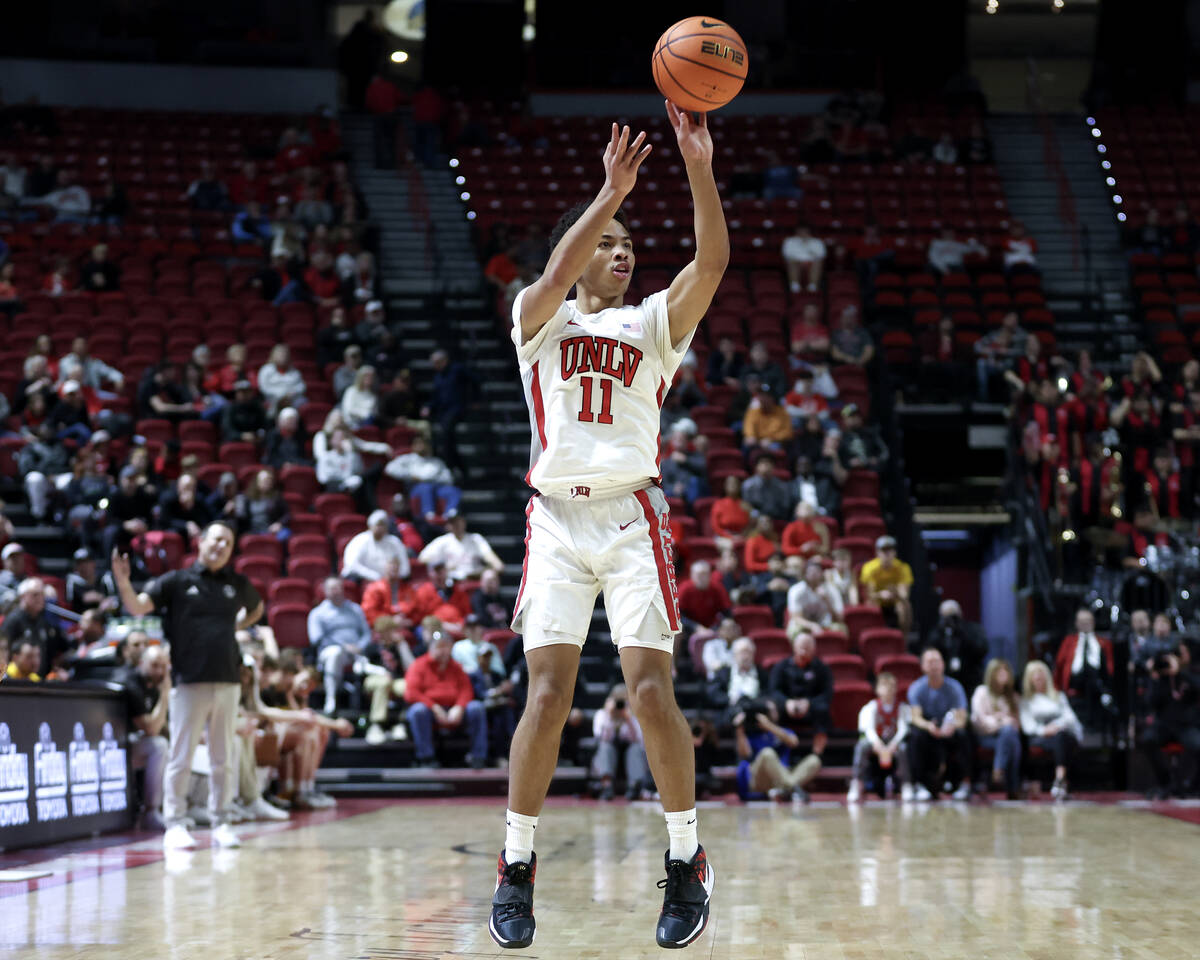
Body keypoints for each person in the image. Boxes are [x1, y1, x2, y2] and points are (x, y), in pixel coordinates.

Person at [492, 110, 726, 950]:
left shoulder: (652, 323)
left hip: (631, 515)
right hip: (555, 518)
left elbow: (714, 263)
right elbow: (554, 273)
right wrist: (610, 191)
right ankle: (516, 868)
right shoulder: (538, 318)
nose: (622, 252)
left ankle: (685, 857)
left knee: (651, 691)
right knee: (546, 697)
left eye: (629, 243)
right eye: (608, 242)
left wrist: (698, 166)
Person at [111, 521, 264, 850]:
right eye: (216, 539)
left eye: (227, 541)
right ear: (201, 542)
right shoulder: (177, 582)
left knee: (223, 757)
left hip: (228, 680)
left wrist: (239, 624)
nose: (221, 545)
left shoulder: (236, 583)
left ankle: (222, 820)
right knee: (180, 755)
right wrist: (123, 582)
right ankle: (176, 823)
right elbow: (137, 606)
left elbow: (257, 609)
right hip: (188, 681)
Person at [404, 629, 488, 768]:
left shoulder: (456, 666)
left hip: (453, 708)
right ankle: (426, 758)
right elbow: (411, 693)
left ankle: (478, 757)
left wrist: (459, 707)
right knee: (418, 711)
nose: (444, 650)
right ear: (431, 648)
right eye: (440, 646)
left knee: (476, 708)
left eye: (447, 646)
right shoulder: (419, 665)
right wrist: (434, 707)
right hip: (430, 710)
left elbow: (466, 690)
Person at [907, 648, 970, 801]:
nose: (934, 665)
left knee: (964, 735)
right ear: (922, 666)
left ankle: (963, 783)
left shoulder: (955, 687)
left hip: (949, 727)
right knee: (914, 735)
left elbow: (962, 718)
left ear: (943, 664)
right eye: (930, 662)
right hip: (929, 727)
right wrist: (928, 726)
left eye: (937, 661)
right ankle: (918, 784)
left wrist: (952, 726)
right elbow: (915, 717)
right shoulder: (916, 688)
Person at [767, 631, 833, 777]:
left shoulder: (821, 668)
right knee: (773, 709)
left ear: (814, 649)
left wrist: (809, 703)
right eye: (802, 646)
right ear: (794, 647)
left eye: (808, 646)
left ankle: (817, 756)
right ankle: (780, 755)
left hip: (811, 709)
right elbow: (773, 691)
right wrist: (786, 702)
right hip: (787, 709)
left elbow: (827, 694)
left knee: (823, 710)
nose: (804, 650)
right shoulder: (782, 666)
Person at [308, 577, 373, 715]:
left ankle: (363, 707)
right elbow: (317, 639)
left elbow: (367, 633)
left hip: (356, 653)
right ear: (325, 591)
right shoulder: (318, 613)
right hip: (329, 653)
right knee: (335, 653)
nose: (336, 591)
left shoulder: (355, 609)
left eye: (338, 587)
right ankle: (331, 699)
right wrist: (343, 646)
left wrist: (360, 646)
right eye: (332, 588)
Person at [121, 645, 171, 829]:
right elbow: (150, 729)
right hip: (119, 747)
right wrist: (165, 694)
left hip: (136, 744)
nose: (159, 671)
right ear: (142, 663)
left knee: (176, 748)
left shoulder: (154, 686)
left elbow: (162, 726)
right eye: (154, 665)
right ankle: (150, 811)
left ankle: (179, 808)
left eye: (163, 667)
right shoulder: (132, 683)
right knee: (159, 746)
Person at [1020, 660, 1082, 801]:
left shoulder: (1058, 696)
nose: (1039, 680)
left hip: (1062, 734)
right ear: (1029, 680)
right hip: (1040, 737)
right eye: (1035, 677)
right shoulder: (1026, 701)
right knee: (1061, 739)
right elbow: (1028, 726)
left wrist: (1056, 726)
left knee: (1062, 738)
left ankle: (1059, 779)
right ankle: (1061, 782)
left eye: (1041, 676)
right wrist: (1045, 730)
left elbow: (1070, 718)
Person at [848, 671, 912, 803]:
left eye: (892, 686)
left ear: (895, 689)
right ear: (877, 689)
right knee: (861, 746)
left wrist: (893, 745)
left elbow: (903, 729)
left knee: (903, 748)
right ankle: (856, 783)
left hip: (893, 742)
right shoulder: (871, 707)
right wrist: (878, 745)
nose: (888, 689)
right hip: (876, 742)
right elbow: (869, 729)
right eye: (884, 685)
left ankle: (906, 784)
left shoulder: (902, 707)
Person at [1053, 608, 1116, 735]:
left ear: (1093, 622)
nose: (1085, 624)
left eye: (1087, 621)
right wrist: (1056, 689)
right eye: (1082, 621)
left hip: (1098, 679)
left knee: (1092, 676)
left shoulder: (1103, 642)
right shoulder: (1069, 641)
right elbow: (1059, 665)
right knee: (1088, 677)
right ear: (1076, 623)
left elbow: (1109, 667)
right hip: (1075, 680)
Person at [971, 658, 1023, 799]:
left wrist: (1004, 723)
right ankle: (1013, 787)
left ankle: (998, 771)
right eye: (999, 671)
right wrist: (1001, 721)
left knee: (1011, 737)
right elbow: (978, 719)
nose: (1003, 674)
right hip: (985, 737)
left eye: (1006, 671)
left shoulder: (1013, 697)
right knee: (1009, 735)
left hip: (1006, 737)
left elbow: (1017, 725)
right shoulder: (981, 692)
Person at [592, 683, 652, 801]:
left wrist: (628, 719)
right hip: (610, 750)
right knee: (605, 747)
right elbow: (601, 737)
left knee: (635, 748)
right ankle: (606, 786)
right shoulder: (601, 715)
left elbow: (637, 739)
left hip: (629, 751)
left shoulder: (634, 716)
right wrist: (609, 716)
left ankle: (634, 786)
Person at [4, 578, 69, 677]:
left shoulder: (44, 621)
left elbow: (54, 651)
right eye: (35, 594)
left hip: (39, 682)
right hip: (15, 682)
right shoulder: (12, 621)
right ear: (22, 596)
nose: (40, 598)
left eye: (42, 594)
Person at [418, 514, 504, 582]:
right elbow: (422, 558)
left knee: (489, 575)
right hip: (451, 581)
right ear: (448, 525)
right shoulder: (442, 541)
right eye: (453, 523)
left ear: (464, 522)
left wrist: (490, 569)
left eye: (459, 522)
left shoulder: (476, 539)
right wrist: (444, 565)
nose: (457, 525)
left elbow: (495, 562)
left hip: (473, 578)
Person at [341, 510, 411, 583]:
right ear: (370, 526)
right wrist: (374, 576)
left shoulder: (394, 542)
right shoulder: (359, 540)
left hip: (390, 581)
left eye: (384, 524)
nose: (381, 528)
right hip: (363, 579)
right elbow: (352, 565)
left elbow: (405, 569)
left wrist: (391, 577)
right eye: (378, 524)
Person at [782, 224, 826, 293]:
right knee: (790, 261)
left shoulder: (817, 242)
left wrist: (807, 245)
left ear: (809, 232)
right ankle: (795, 285)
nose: (803, 233)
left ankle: (813, 286)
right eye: (801, 231)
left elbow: (821, 255)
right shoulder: (789, 241)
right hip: (796, 261)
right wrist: (799, 261)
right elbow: (786, 254)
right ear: (797, 232)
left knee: (817, 262)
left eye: (805, 232)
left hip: (812, 262)